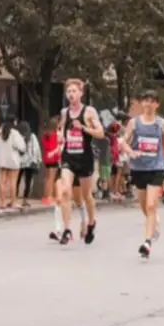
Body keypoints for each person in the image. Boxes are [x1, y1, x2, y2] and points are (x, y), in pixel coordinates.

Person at [55, 79, 105, 245]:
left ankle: (91, 222)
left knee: (86, 195)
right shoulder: (64, 112)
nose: (71, 94)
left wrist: (82, 128)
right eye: (68, 91)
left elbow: (100, 133)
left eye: (74, 91)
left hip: (85, 158)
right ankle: (67, 229)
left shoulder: (89, 112)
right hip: (69, 156)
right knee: (65, 191)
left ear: (81, 93)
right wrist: (60, 137)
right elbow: (60, 129)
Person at [121, 90, 164, 258]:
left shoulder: (162, 123)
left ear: (157, 105)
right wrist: (131, 152)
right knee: (144, 205)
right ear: (142, 103)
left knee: (150, 205)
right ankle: (154, 221)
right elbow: (123, 142)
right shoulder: (134, 123)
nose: (148, 104)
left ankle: (147, 242)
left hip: (157, 167)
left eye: (152, 101)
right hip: (139, 168)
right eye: (145, 100)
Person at [0, 115, 26, 209]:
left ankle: (2, 202)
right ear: (14, 122)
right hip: (13, 160)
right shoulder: (14, 133)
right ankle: (13, 202)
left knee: (2, 181)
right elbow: (22, 147)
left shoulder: (0, 132)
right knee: (13, 182)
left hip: (2, 160)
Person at [17, 121, 40, 207]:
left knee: (16, 181)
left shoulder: (17, 136)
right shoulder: (32, 136)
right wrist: (37, 160)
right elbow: (36, 149)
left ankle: (14, 199)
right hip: (30, 162)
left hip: (19, 162)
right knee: (28, 182)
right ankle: (25, 200)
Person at [40, 118, 60, 205]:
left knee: (47, 178)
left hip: (47, 157)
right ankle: (49, 197)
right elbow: (55, 147)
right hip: (53, 158)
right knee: (52, 178)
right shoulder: (55, 135)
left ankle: (45, 197)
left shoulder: (45, 135)